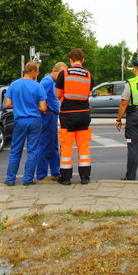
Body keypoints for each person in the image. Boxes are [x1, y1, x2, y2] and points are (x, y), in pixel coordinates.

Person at [4, 61, 47, 186]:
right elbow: (43, 108)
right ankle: (27, 179)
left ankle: (10, 179)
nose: (37, 73)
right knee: (32, 150)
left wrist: (18, 106)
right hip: (34, 120)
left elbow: (7, 104)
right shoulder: (38, 86)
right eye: (37, 71)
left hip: (19, 120)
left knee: (15, 150)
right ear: (33, 71)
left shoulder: (14, 84)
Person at [55, 49, 93, 185]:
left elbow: (57, 94)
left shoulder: (64, 73)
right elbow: (88, 93)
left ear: (70, 60)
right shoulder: (88, 75)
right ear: (82, 60)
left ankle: (65, 178)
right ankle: (85, 177)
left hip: (68, 115)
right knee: (83, 146)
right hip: (84, 113)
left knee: (66, 146)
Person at [35, 61, 68, 182]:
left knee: (53, 145)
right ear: (56, 71)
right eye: (62, 74)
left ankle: (55, 172)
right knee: (45, 145)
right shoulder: (47, 81)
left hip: (52, 116)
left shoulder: (52, 81)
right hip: (47, 115)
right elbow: (38, 95)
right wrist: (41, 110)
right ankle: (41, 175)